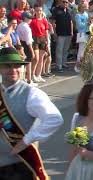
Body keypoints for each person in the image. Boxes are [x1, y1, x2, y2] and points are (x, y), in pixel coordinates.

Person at [0, 47, 63, 180]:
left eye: (17, 66)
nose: (13, 70)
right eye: (7, 66)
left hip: (20, 165)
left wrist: (26, 141)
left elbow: (54, 118)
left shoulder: (31, 93)